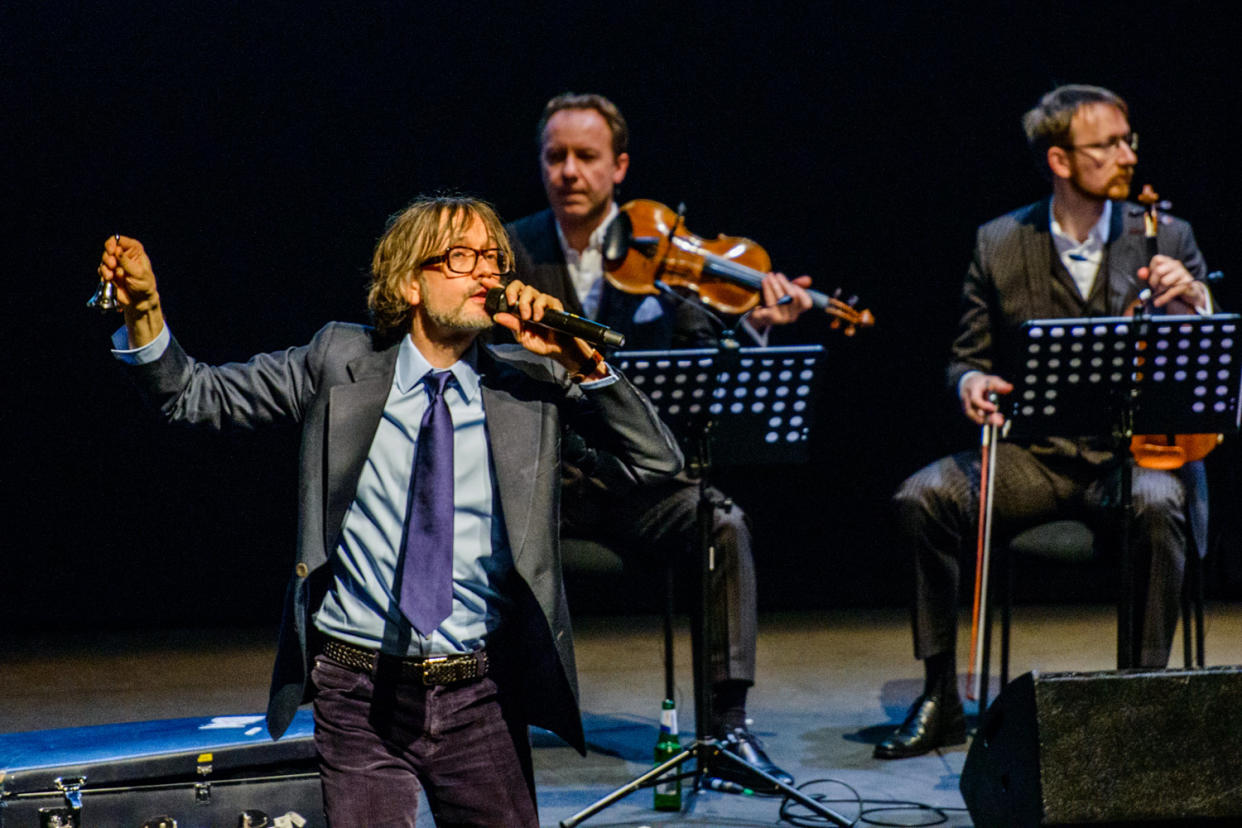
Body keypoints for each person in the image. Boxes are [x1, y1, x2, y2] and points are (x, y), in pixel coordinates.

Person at [97, 195, 683, 826]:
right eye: (462, 257)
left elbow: (658, 466)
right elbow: (194, 395)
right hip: (358, 696)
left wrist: (584, 367)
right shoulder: (337, 362)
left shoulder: (527, 388)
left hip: (479, 696)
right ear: (409, 282)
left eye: (495, 258)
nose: (488, 274)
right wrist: (146, 316)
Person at [875, 84, 1214, 760]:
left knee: (1156, 504)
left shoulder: (1166, 234)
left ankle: (1140, 697)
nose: (1126, 155)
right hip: (1037, 458)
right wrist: (972, 382)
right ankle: (941, 693)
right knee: (923, 497)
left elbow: (1206, 366)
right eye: (1108, 144)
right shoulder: (999, 242)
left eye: (1128, 140)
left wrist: (1194, 302)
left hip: (1133, 459)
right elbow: (964, 361)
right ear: (1060, 160)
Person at [501, 92, 813, 787]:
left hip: (638, 484)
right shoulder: (513, 250)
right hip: (545, 483)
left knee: (719, 521)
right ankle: (484, 723)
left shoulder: (667, 259)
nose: (569, 172)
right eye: (556, 157)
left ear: (620, 168)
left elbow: (710, 353)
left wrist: (760, 324)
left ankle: (727, 731)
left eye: (586, 157)